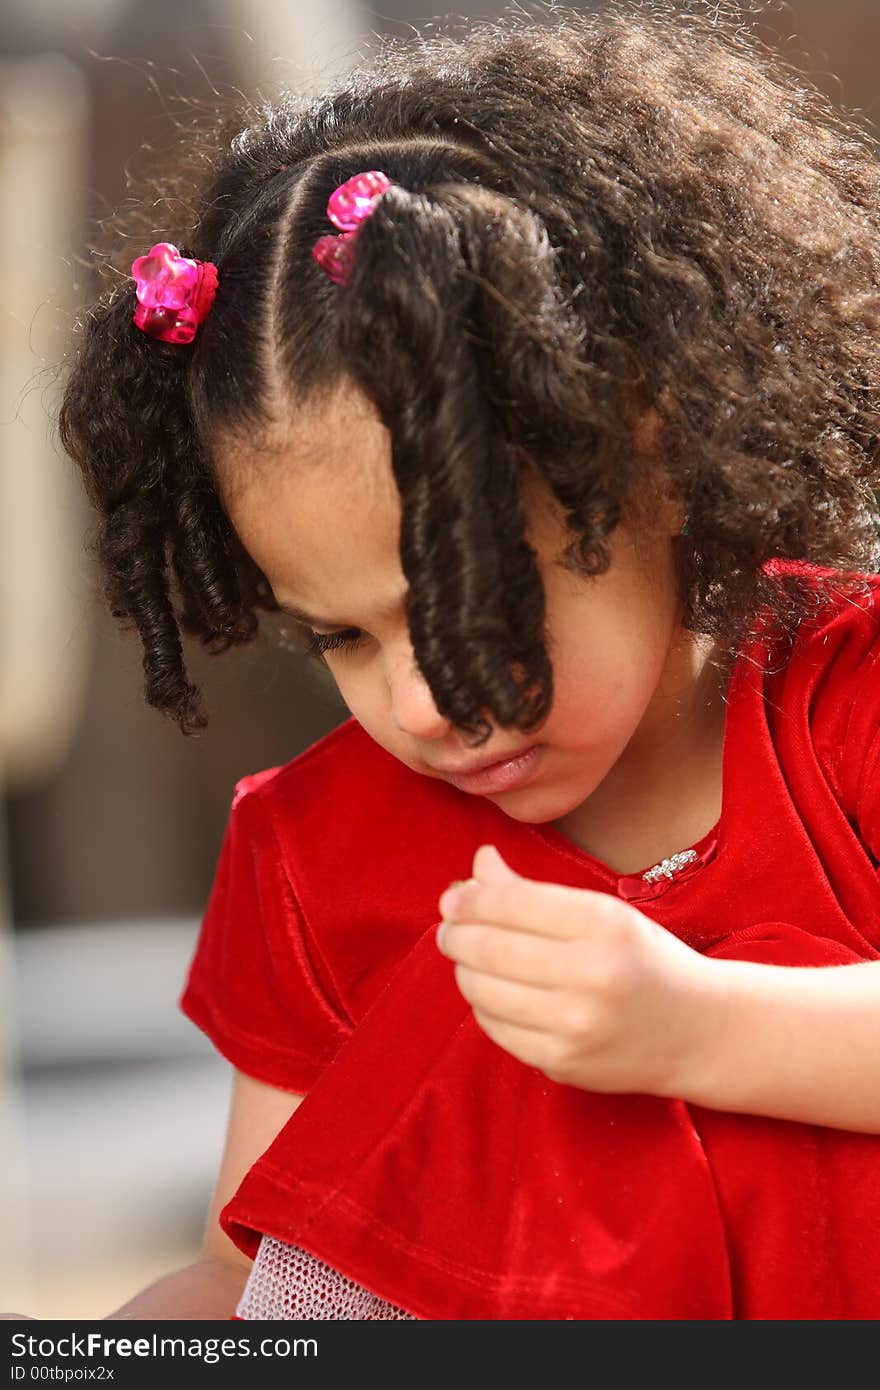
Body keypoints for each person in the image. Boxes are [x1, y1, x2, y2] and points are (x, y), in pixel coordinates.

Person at [43, 0, 880, 1319]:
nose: (426, 698)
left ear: (646, 446)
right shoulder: (316, 860)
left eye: (472, 591)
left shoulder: (850, 703)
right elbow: (249, 1270)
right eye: (344, 636)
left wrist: (701, 1027)